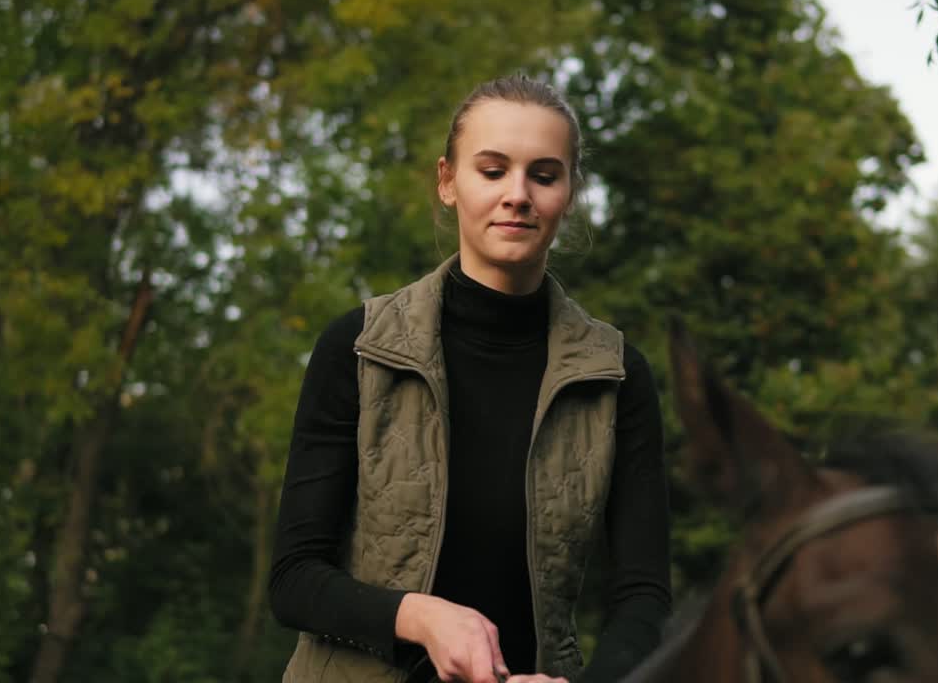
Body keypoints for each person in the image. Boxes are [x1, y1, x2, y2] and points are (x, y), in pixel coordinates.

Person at [269, 74, 672, 683]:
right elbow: (293, 578)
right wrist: (420, 617)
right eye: (492, 170)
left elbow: (644, 597)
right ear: (447, 181)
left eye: (543, 174)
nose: (518, 194)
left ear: (568, 191)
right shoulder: (357, 349)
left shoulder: (617, 375)